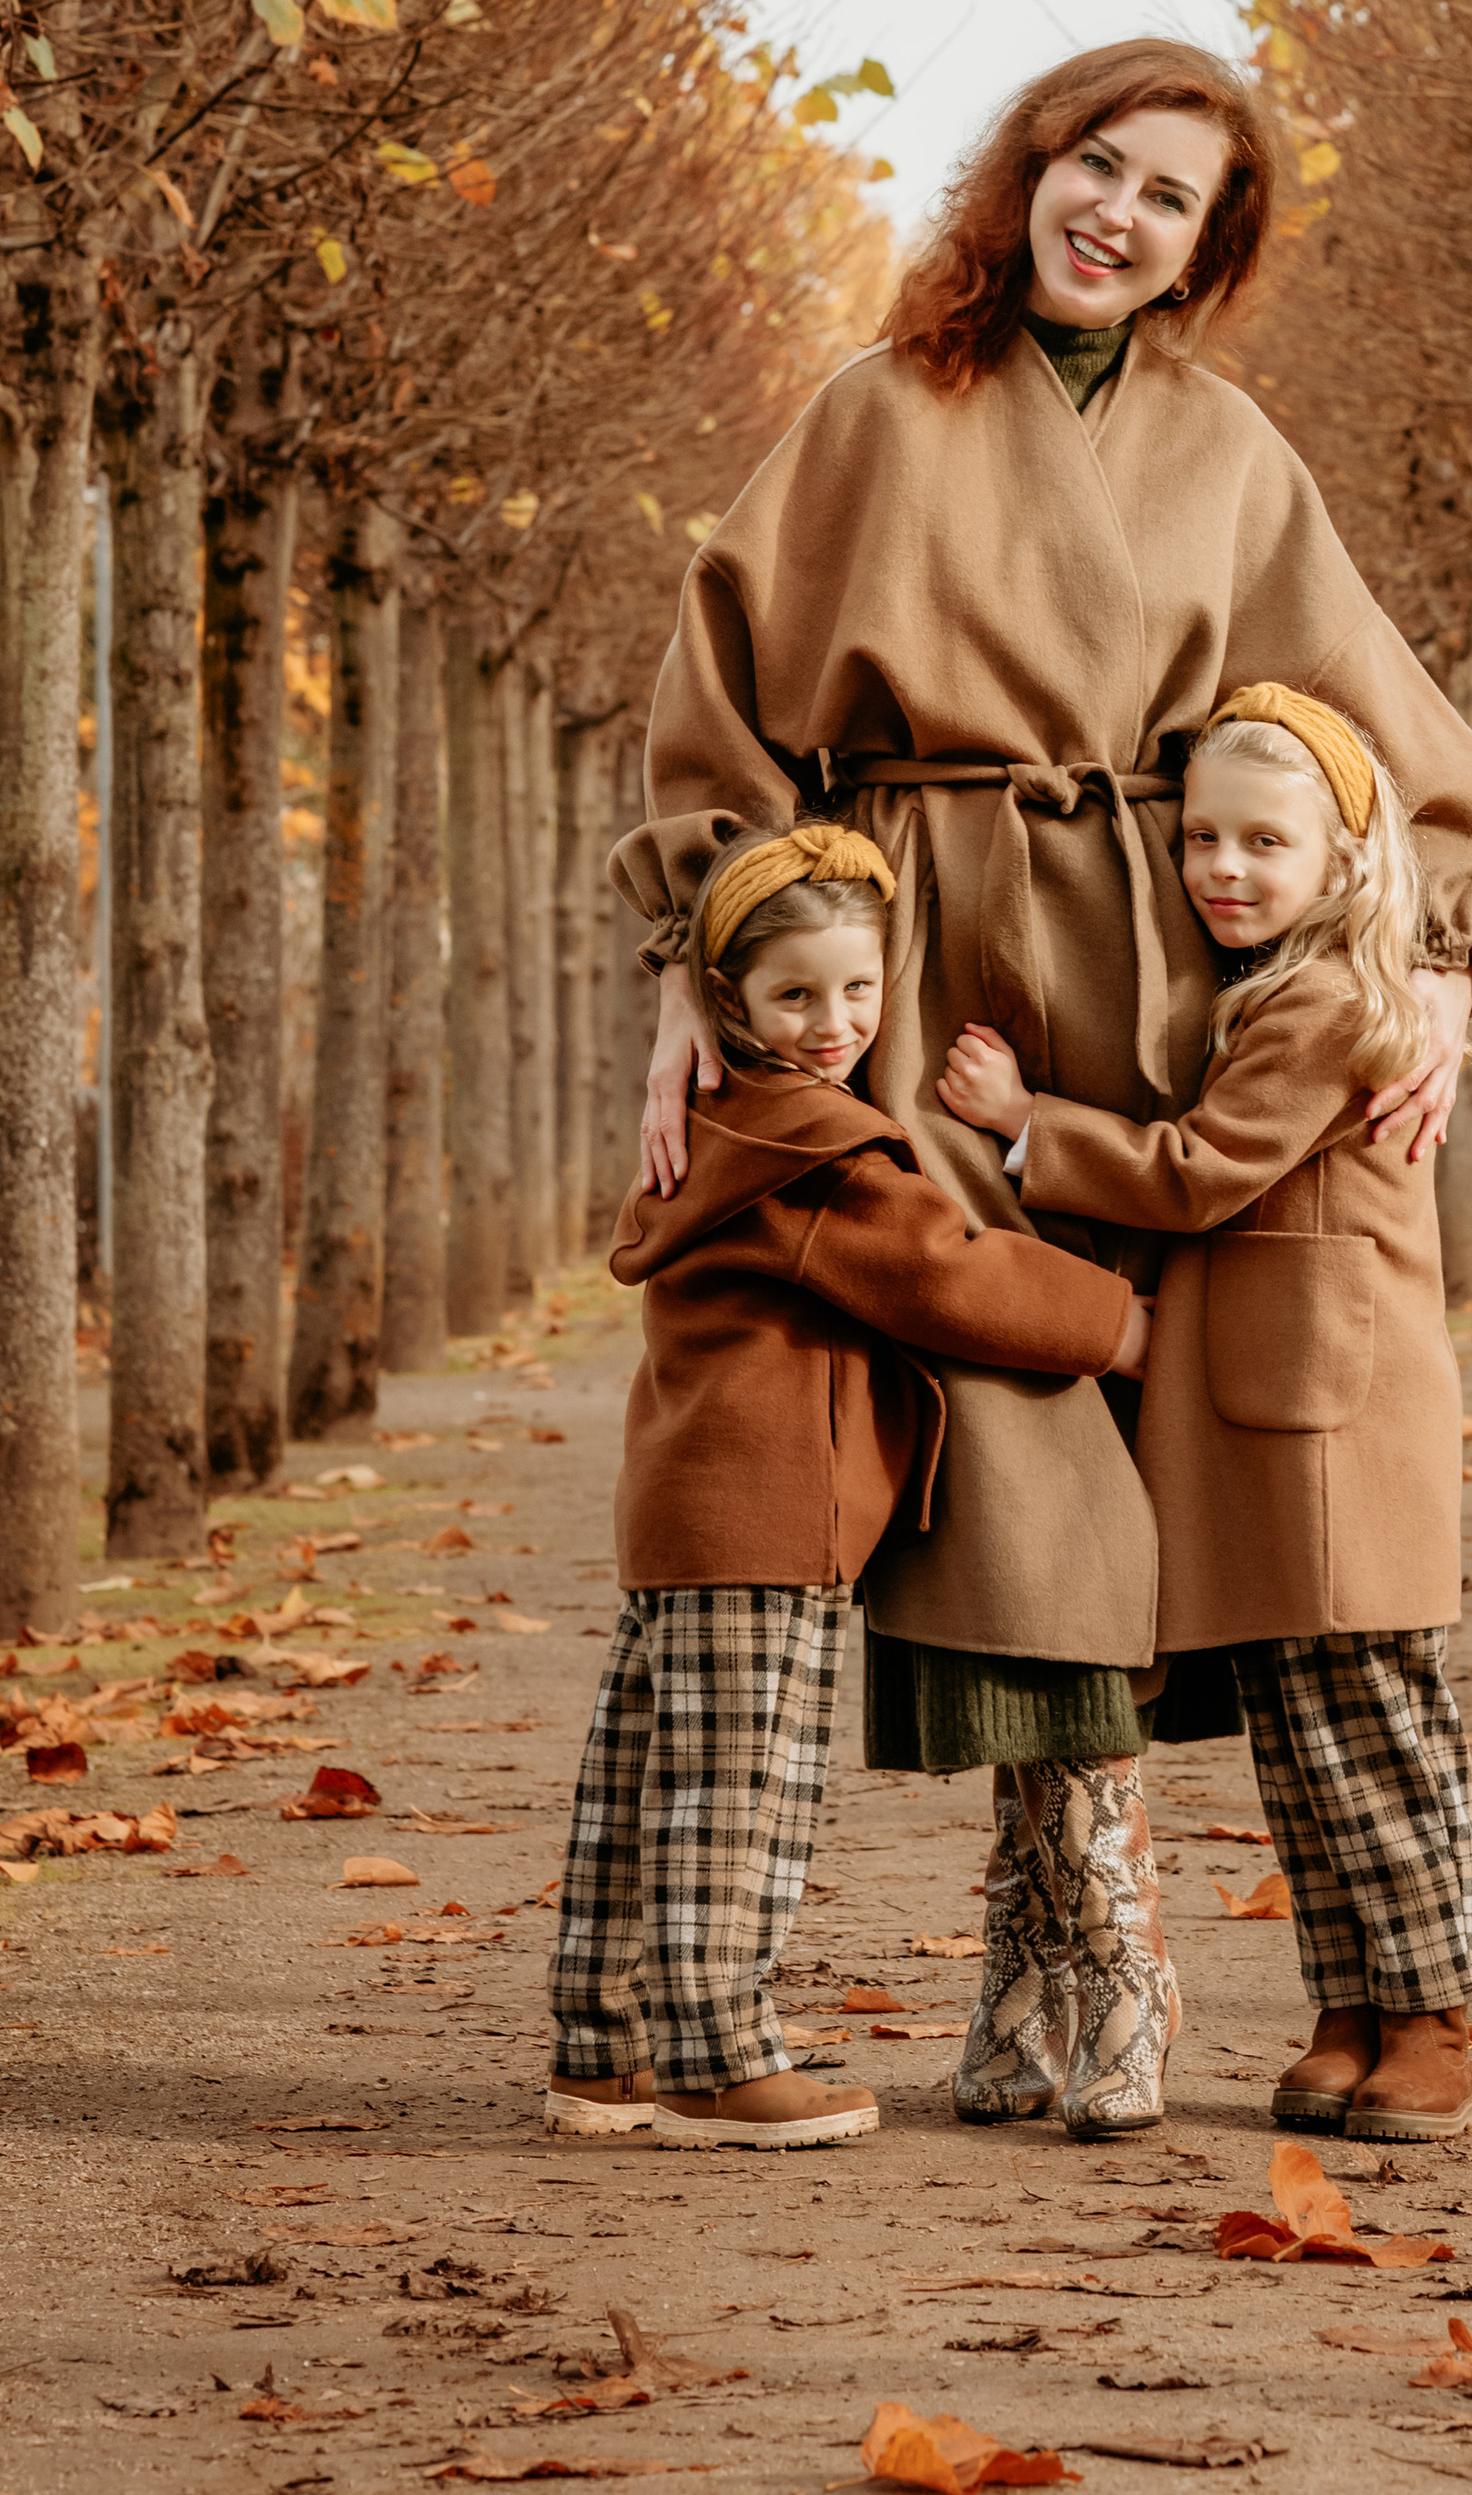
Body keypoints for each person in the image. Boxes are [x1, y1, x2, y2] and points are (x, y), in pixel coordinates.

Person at [611, 39, 1472, 2136]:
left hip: (1163, 987)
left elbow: (1375, 727)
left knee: (1217, 1471)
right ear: (1025, 166)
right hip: (919, 969)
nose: (1113, 213)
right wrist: (702, 956)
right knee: (1002, 1433)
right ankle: (1074, 1958)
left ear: (1212, 250)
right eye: (1091, 163)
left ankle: (1252, 1966)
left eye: (1172, 199)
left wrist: (1442, 951)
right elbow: (721, 731)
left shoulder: (1229, 447)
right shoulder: (869, 414)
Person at [545, 825, 1149, 2153]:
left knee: (647, 1773)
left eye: (861, 989)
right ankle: (715, 2056)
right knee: (741, 1790)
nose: (836, 1022)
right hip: (772, 1504)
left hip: (686, 1501)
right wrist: (1118, 1322)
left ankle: (608, 2045)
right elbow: (946, 1267)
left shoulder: (725, 1118)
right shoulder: (807, 1139)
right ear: (729, 1003)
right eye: (797, 995)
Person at [941, 686, 1472, 2144]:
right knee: (1302, 1745)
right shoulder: (1270, 985)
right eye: (1202, 838)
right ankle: (1347, 2007)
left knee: (1379, 1728)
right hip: (1270, 1414)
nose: (1224, 867)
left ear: (1345, 860)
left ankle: (1428, 2013)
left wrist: (1024, 1123)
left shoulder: (1329, 1002)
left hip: (1338, 1418)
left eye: (1266, 841)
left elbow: (1194, 1172)